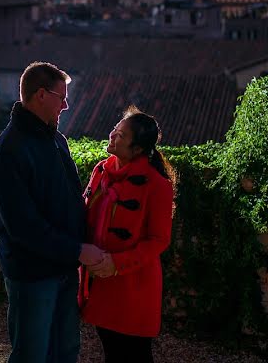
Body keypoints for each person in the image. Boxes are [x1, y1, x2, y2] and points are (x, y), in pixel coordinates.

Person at [0, 61, 106, 363]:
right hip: (33, 275)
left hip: (65, 268)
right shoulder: (8, 151)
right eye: (61, 97)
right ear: (41, 95)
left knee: (65, 351)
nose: (66, 105)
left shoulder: (56, 140)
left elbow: (70, 200)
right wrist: (79, 250)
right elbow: (24, 228)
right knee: (32, 355)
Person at [79, 106, 176, 363]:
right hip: (101, 283)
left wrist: (116, 264)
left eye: (120, 135)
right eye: (115, 130)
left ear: (138, 150)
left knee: (135, 356)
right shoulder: (101, 171)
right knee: (112, 352)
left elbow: (159, 240)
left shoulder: (157, 186)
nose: (112, 135)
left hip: (134, 287)